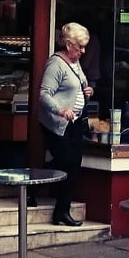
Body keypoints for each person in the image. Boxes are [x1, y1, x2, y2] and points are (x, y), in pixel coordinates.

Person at [38, 22, 94, 227]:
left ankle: (51, 200)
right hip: (57, 123)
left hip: (75, 122)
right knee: (68, 163)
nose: (83, 51)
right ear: (69, 45)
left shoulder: (74, 63)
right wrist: (60, 110)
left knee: (73, 163)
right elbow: (44, 95)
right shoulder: (56, 64)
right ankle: (61, 211)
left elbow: (81, 83)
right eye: (80, 46)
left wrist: (88, 91)